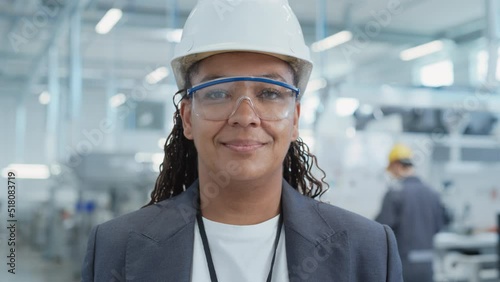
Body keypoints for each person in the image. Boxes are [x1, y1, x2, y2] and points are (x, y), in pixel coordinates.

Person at [82, 0, 403, 281]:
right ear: (188, 117)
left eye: (269, 93)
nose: (245, 116)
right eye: (218, 93)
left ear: (295, 119)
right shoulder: (116, 246)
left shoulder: (369, 249)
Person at [376, 143, 448, 282]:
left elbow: (381, 231)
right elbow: (439, 226)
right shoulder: (433, 193)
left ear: (396, 166)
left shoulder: (394, 193)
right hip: (428, 265)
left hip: (402, 264)